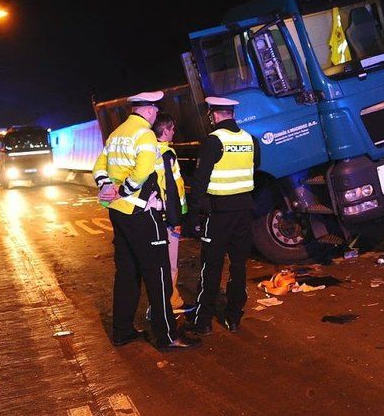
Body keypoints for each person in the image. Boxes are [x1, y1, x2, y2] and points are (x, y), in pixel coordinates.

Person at [92, 91, 200, 351]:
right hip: (142, 213)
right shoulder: (145, 134)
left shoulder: (117, 133)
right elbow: (143, 171)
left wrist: (108, 187)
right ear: (150, 111)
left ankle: (122, 331)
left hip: (118, 212)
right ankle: (167, 336)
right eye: (154, 111)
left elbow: (98, 166)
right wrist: (127, 189)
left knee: (127, 272)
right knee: (159, 274)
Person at [189, 96, 260, 335]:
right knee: (238, 266)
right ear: (232, 114)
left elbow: (201, 180)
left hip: (218, 214)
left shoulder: (213, 141)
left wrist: (192, 217)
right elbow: (254, 169)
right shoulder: (250, 140)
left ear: (214, 115)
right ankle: (234, 318)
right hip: (244, 212)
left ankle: (203, 321)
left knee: (211, 266)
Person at [151, 112, 196, 316]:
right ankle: (171, 304)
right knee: (170, 262)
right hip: (169, 217)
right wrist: (176, 220)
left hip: (156, 214)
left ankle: (161, 303)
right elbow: (171, 186)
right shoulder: (167, 154)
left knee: (158, 262)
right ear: (166, 130)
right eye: (172, 128)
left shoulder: (150, 151)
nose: (174, 132)